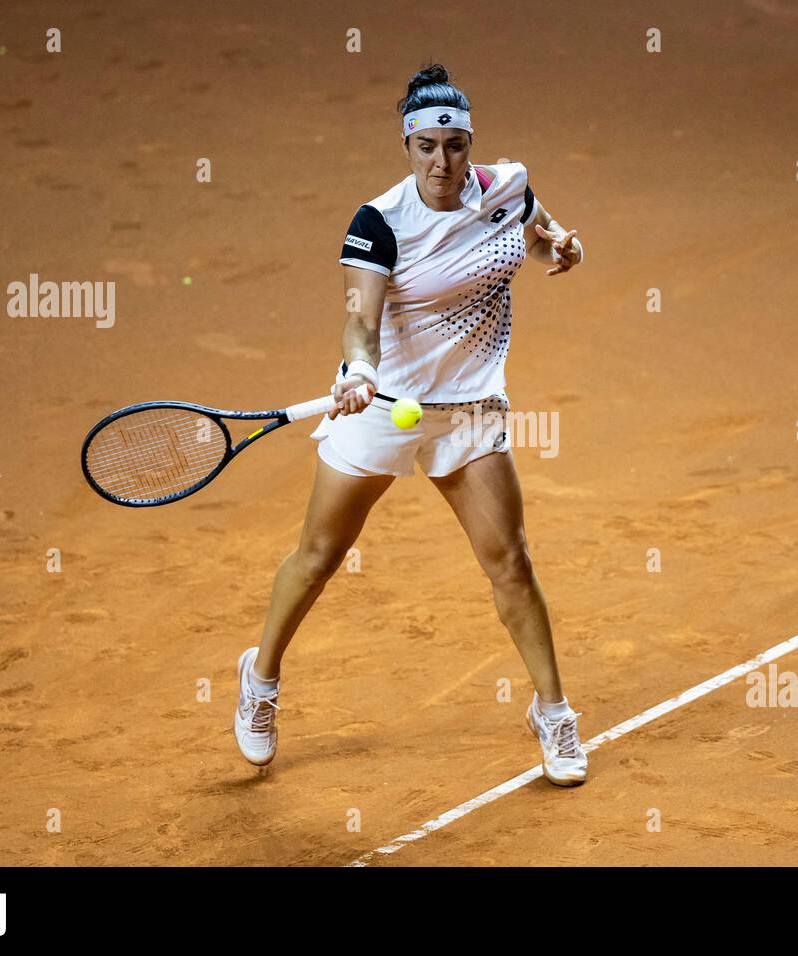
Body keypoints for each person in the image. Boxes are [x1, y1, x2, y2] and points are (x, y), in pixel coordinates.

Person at [233, 63, 588, 786]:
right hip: (382, 405)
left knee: (511, 563)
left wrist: (561, 248)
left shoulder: (507, 186)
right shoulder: (380, 222)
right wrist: (360, 372)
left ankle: (553, 712)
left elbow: (534, 229)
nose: (441, 163)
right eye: (426, 147)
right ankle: (260, 679)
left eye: (454, 146)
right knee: (318, 557)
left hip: (468, 408)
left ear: (470, 144)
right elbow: (360, 319)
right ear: (407, 146)